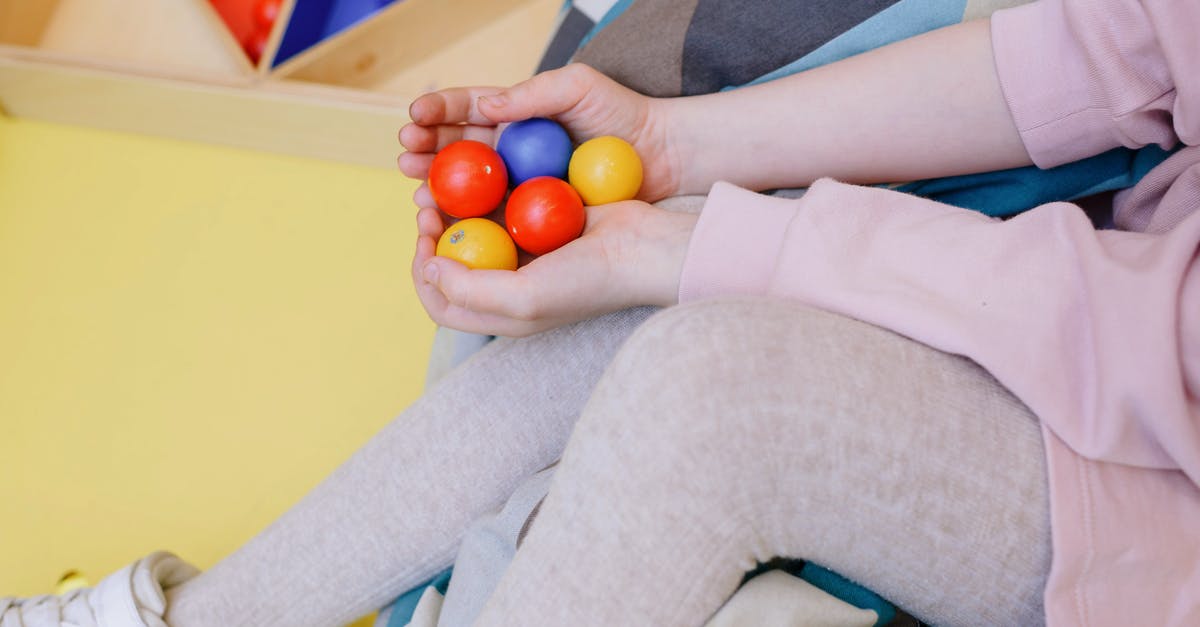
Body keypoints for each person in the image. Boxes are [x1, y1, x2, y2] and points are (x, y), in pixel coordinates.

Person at [4, 0, 1196, 624]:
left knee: (717, 398)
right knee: (633, 324)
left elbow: (1164, 349)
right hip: (1108, 305)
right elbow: (1120, 48)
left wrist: (701, 244)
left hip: (1164, 485)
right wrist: (679, 149)